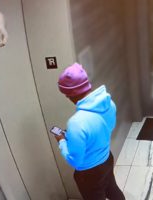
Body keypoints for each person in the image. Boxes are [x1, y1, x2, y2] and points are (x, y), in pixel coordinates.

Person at [55, 63, 125, 200]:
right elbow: (103, 129)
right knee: (112, 189)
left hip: (89, 173)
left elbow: (75, 160)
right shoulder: (109, 103)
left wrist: (62, 140)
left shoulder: (76, 123)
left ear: (69, 94)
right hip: (107, 158)